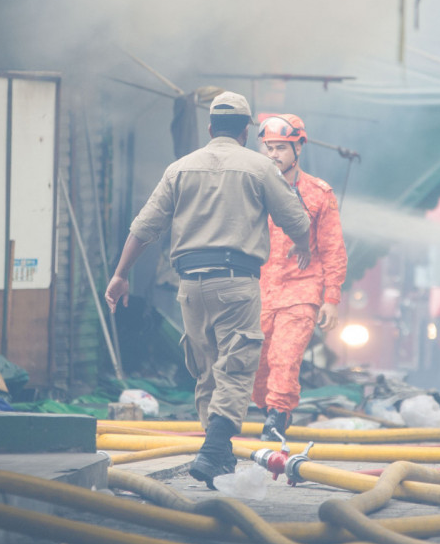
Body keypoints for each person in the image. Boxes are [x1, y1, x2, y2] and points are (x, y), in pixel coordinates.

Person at [104, 92, 311, 489]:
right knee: (236, 366)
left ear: (211, 127)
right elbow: (298, 223)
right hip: (236, 282)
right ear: (247, 131)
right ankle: (215, 449)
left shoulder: (180, 168)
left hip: (190, 287)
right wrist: (300, 241)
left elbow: (143, 227)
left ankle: (216, 452)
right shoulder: (260, 167)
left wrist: (120, 274)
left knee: (205, 369)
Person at [252, 113, 348, 442]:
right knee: (258, 366)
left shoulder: (319, 194)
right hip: (259, 292)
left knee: (285, 356)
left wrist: (331, 299)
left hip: (301, 291)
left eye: (281, 147)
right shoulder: (252, 189)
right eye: (268, 148)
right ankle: (272, 413)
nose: (273, 155)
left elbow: (333, 249)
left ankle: (276, 418)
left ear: (299, 148)